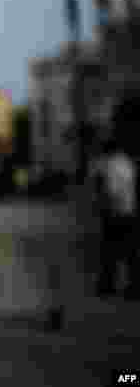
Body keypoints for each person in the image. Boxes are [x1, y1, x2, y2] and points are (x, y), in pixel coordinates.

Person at [89, 93, 140, 299]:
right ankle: (132, 286)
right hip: (129, 211)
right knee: (129, 253)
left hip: (115, 213)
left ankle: (108, 285)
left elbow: (110, 191)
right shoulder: (128, 164)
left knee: (110, 252)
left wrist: (103, 203)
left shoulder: (111, 165)